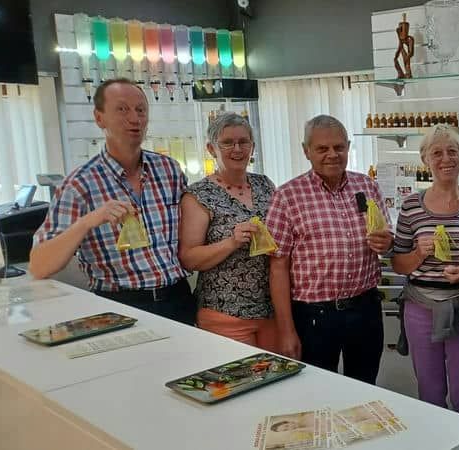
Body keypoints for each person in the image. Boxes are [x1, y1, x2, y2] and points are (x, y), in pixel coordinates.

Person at [30, 78, 195, 325]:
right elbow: (39, 265)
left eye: (141, 110)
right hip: (120, 304)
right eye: (122, 109)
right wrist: (88, 221)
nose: (134, 118)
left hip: (178, 298)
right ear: (99, 118)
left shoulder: (168, 169)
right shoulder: (79, 185)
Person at [265, 115, 393, 384]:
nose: (332, 155)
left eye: (339, 147)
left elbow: (386, 237)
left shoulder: (367, 186)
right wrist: (286, 330)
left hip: (365, 308)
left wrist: (386, 242)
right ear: (306, 151)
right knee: (317, 390)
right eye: (322, 148)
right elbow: (277, 268)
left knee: (366, 386)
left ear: (348, 147)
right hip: (314, 316)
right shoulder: (287, 196)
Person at [391, 124, 459, 417]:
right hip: (421, 308)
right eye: (437, 153)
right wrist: (419, 253)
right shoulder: (411, 206)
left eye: (452, 151)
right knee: (430, 393)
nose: (446, 159)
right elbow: (398, 264)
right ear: (425, 160)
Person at [178, 113, 277, 350]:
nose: (237, 149)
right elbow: (188, 258)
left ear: (252, 146)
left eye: (244, 142)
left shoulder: (265, 184)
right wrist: (231, 242)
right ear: (211, 149)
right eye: (227, 143)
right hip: (225, 311)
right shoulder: (198, 195)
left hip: (271, 309)